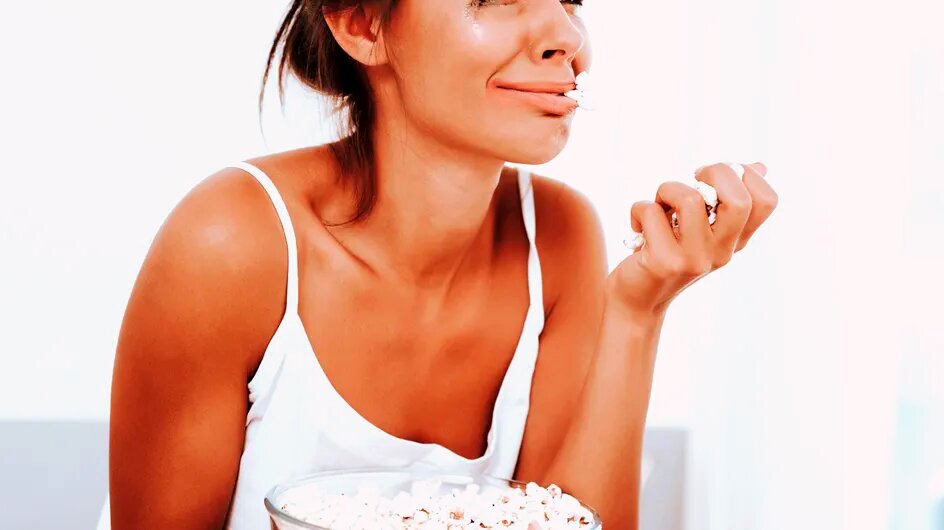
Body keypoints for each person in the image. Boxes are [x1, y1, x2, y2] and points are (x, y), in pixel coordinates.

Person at [104, 1, 778, 529]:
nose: (566, 36)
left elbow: (570, 520)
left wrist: (638, 309)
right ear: (363, 25)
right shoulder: (232, 243)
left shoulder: (559, 235)